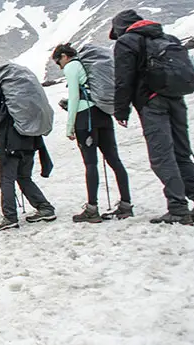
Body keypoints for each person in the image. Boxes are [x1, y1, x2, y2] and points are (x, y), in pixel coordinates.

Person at [111, 9, 194, 225]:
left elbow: (124, 79)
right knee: (181, 153)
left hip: (152, 102)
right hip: (176, 98)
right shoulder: (166, 37)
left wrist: (121, 110)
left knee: (162, 156)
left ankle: (178, 208)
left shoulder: (126, 42)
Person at [52, 44, 134, 222]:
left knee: (90, 163)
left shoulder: (72, 66)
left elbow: (74, 97)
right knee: (114, 160)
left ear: (65, 56)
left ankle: (92, 209)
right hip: (103, 115)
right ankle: (126, 205)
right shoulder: (87, 65)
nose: (60, 66)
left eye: (59, 61)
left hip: (85, 118)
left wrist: (69, 126)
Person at [0, 76, 57, 231]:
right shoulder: (15, 97)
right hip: (30, 140)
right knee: (23, 177)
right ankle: (44, 208)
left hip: (10, 143)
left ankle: (10, 217)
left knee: (6, 179)